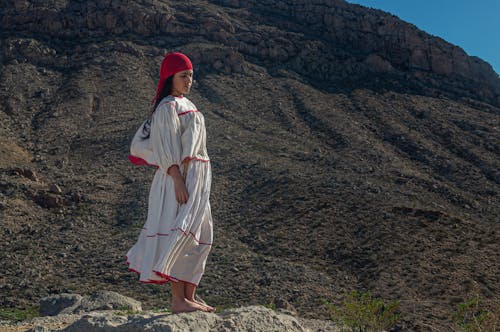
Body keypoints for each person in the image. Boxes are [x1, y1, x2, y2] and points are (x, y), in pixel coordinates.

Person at [126, 52, 215, 314]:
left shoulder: (186, 103)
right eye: (183, 76)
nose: (189, 80)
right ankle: (178, 300)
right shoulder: (167, 106)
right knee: (180, 233)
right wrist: (177, 180)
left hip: (197, 179)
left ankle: (190, 295)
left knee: (200, 237)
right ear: (170, 77)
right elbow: (166, 148)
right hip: (180, 178)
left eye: (190, 76)